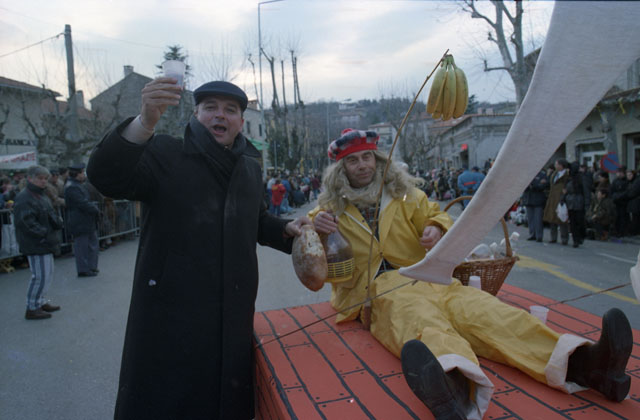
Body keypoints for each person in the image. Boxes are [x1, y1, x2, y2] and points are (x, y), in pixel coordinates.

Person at [310, 129, 633, 420]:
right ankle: (452, 386)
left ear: (378, 159)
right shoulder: (327, 211)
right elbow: (309, 251)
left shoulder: (404, 194)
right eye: (352, 160)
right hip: (378, 290)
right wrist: (316, 231)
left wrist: (435, 228)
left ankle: (586, 364)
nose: (362, 165)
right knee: (420, 320)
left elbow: (438, 215)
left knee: (487, 311)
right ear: (341, 169)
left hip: (429, 275)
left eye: (367, 157)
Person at [86, 78, 310, 420]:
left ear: (240, 121)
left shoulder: (249, 168)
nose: (220, 115)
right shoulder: (166, 153)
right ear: (195, 115)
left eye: (230, 110)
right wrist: (144, 122)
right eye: (210, 108)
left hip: (232, 313)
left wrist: (286, 229)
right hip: (172, 317)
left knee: (226, 401)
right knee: (170, 403)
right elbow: (106, 176)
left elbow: (256, 220)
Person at [13, 165, 64, 320]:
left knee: (47, 274)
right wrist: (44, 234)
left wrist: (57, 222)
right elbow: (26, 222)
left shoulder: (41, 195)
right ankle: (32, 306)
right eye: (40, 178)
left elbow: (49, 213)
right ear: (30, 178)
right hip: (36, 243)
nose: (43, 181)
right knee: (40, 276)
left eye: (45, 179)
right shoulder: (24, 197)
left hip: (44, 241)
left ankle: (39, 301)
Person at [64, 163, 100, 277]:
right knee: (82, 246)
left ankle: (91, 266)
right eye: (82, 172)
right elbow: (82, 203)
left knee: (91, 244)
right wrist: (94, 209)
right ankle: (84, 269)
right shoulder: (72, 187)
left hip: (85, 220)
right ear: (76, 174)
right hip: (79, 220)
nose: (84, 174)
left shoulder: (77, 185)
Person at [543, 159, 570, 244]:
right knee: (552, 218)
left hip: (561, 198)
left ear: (561, 165)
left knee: (562, 219)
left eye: (557, 164)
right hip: (552, 198)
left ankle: (564, 238)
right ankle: (553, 237)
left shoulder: (567, 175)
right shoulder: (554, 174)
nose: (555, 166)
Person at [564, 161, 588, 248]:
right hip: (570, 201)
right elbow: (565, 190)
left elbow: (586, 191)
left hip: (579, 201)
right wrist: (563, 199)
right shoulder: (569, 178)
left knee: (579, 221)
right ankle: (575, 240)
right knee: (573, 222)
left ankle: (581, 236)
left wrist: (586, 203)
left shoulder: (581, 178)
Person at [522, 168, 548, 242]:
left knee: (538, 219)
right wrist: (535, 184)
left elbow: (542, 186)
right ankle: (532, 234)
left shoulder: (542, 175)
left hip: (538, 200)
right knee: (530, 219)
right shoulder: (527, 175)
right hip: (528, 199)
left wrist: (533, 184)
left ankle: (539, 236)